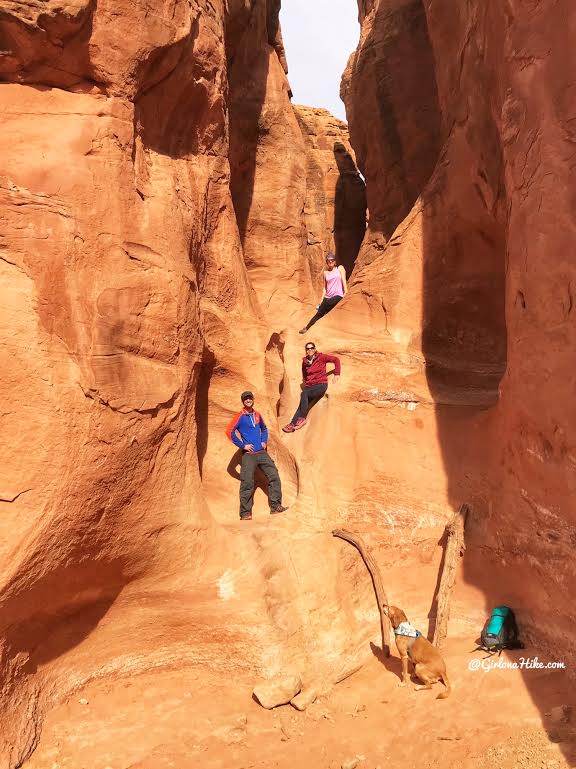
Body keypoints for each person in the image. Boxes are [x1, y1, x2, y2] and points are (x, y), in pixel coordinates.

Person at [226, 391, 288, 521]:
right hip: (248, 455)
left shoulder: (257, 414)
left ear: (253, 400)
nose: (248, 400)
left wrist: (264, 441)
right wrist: (243, 445)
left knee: (274, 476)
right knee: (247, 483)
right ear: (243, 401)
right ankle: (245, 513)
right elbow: (229, 432)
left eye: (250, 398)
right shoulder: (240, 416)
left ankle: (275, 506)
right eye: (245, 399)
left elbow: (264, 429)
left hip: (261, 453)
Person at [282, 343, 341, 432]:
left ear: (314, 349)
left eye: (311, 348)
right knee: (302, 404)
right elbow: (304, 374)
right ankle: (292, 424)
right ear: (306, 350)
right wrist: (307, 382)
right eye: (307, 349)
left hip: (321, 385)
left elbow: (336, 360)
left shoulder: (321, 357)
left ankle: (302, 418)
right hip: (310, 387)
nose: (310, 350)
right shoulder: (305, 361)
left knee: (304, 393)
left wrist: (337, 374)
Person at [300, 253, 347, 334]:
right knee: (318, 314)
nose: (330, 261)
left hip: (338, 295)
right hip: (327, 297)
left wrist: (346, 291)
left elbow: (343, 279)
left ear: (335, 261)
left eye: (332, 260)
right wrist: (321, 300)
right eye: (328, 260)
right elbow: (325, 288)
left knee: (326, 306)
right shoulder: (325, 273)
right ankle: (307, 328)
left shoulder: (340, 268)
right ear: (327, 262)